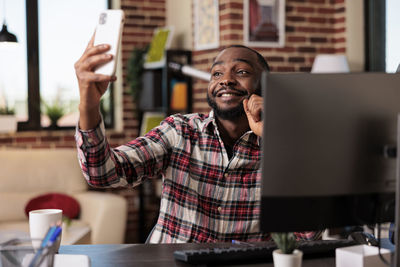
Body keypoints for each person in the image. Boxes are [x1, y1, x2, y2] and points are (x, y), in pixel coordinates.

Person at [74, 36, 320, 243]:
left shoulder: (283, 145)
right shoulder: (180, 131)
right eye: (216, 73)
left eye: (242, 71)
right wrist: (89, 104)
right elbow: (102, 173)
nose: (226, 80)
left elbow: (308, 234)